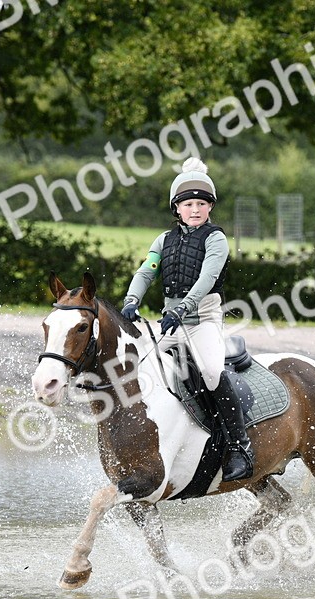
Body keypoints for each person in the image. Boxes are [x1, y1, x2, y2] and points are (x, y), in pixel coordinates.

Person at [120, 157, 255, 482]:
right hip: (171, 319)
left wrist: (181, 311)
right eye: (188, 204)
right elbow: (146, 271)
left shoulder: (216, 239)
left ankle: (240, 446)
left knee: (210, 370)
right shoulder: (162, 242)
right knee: (143, 366)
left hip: (203, 319)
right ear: (176, 208)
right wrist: (132, 299)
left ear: (209, 207)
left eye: (201, 203)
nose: (194, 209)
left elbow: (207, 279)